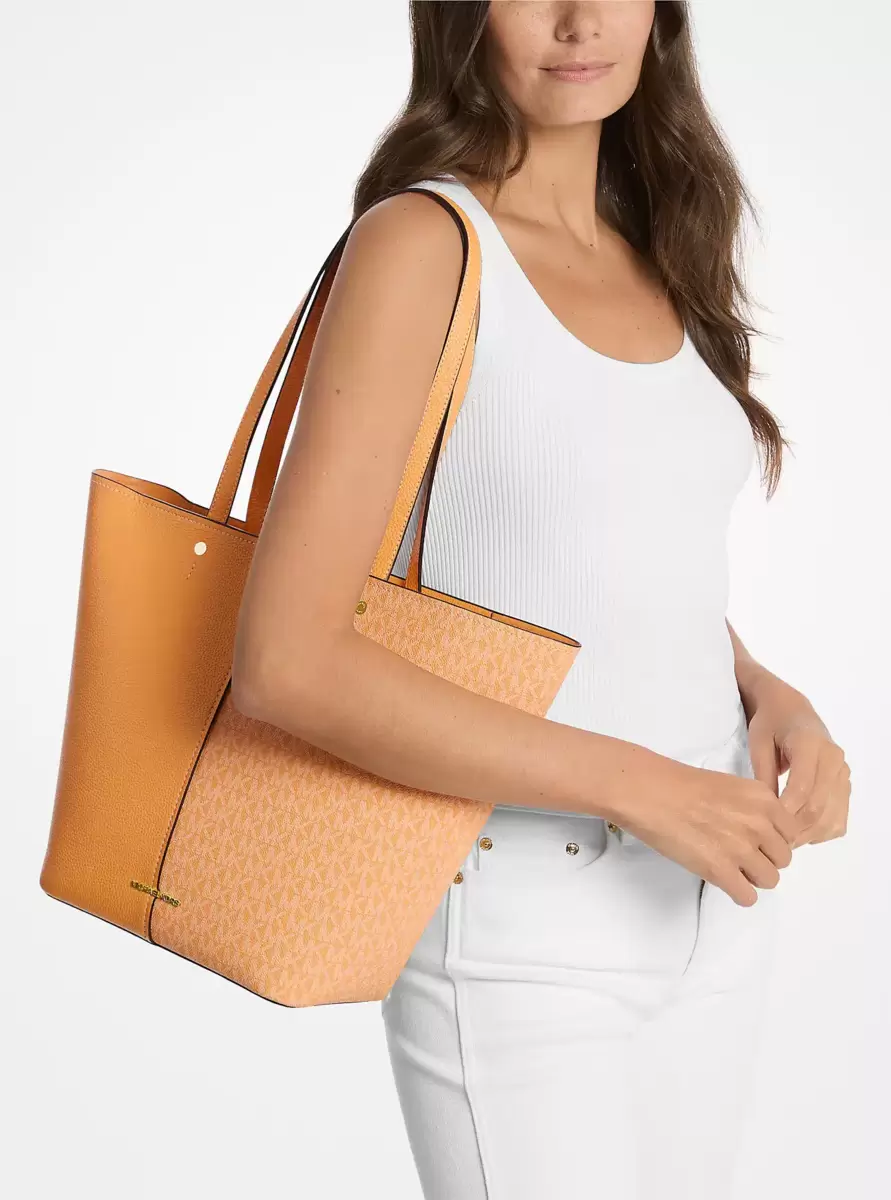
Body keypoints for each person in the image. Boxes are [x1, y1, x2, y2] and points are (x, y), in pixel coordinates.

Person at [230, 3, 851, 1197]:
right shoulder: (424, 245)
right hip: (522, 935)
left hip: (712, 910)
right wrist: (645, 786)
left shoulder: (658, 241)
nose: (579, 21)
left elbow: (608, 558)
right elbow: (287, 662)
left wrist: (766, 694)